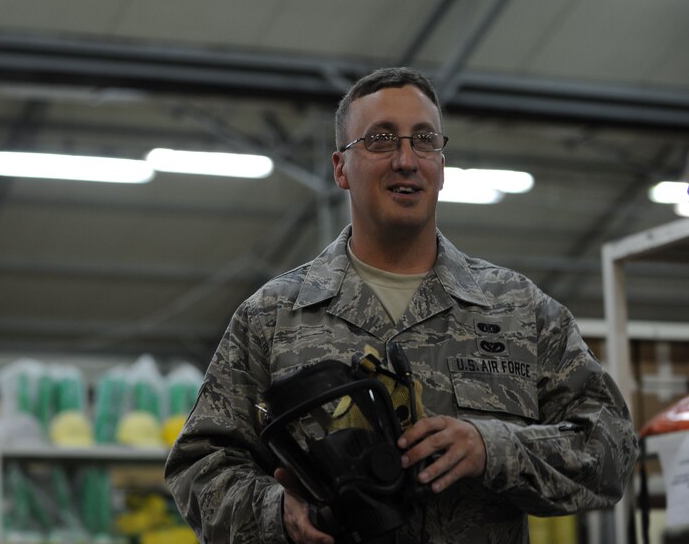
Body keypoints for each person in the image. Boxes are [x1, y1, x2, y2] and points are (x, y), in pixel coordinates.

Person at [164, 67, 637, 543]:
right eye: (381, 140)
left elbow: (612, 447)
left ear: (442, 166)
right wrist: (277, 512)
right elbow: (198, 466)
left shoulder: (518, 311)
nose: (407, 160)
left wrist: (492, 448)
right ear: (340, 168)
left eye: (424, 140)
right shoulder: (272, 318)